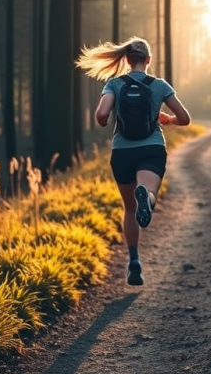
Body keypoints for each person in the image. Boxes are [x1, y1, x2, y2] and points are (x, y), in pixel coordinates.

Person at [75, 37, 191, 286]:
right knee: (149, 193)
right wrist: (165, 120)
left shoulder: (115, 84)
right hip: (152, 148)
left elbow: (102, 114)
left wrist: (104, 119)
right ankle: (146, 195)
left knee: (129, 209)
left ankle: (134, 261)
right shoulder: (159, 85)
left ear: (126, 60)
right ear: (148, 60)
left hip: (122, 151)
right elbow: (184, 118)